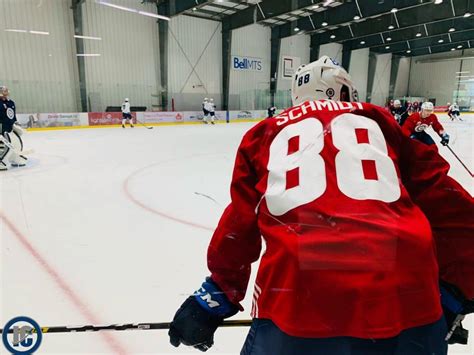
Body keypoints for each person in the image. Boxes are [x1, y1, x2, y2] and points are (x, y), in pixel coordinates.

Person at [168, 56, 474, 354]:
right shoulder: (378, 119)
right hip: (407, 299)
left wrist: (216, 295)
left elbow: (240, 221)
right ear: (345, 92)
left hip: (298, 301)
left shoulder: (265, 133)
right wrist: (456, 293)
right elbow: (452, 207)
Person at [0, 86, 27, 170]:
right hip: (1, 127)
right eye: (3, 91)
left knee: (17, 142)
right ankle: (1, 161)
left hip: (10, 127)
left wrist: (15, 123)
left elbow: (12, 115)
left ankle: (15, 158)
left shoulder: (11, 103)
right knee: (7, 144)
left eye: (6, 91)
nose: (5, 93)